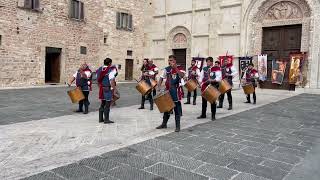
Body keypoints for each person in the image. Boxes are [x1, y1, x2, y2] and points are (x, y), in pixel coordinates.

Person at [156, 55, 186, 132]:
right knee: (167, 108)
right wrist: (158, 86)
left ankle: (177, 126)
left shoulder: (180, 68)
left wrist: (175, 68)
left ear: (175, 61)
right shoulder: (167, 69)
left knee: (176, 108)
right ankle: (164, 124)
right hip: (168, 90)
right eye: (169, 60)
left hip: (176, 90)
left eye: (171, 60)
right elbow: (161, 78)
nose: (170, 62)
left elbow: (182, 76)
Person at [96, 58, 118, 124]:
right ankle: (106, 119)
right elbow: (112, 81)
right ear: (109, 63)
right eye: (110, 63)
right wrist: (113, 89)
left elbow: (97, 80)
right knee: (107, 104)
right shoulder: (110, 70)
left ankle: (100, 119)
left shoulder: (99, 69)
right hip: (107, 89)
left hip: (101, 88)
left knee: (102, 103)